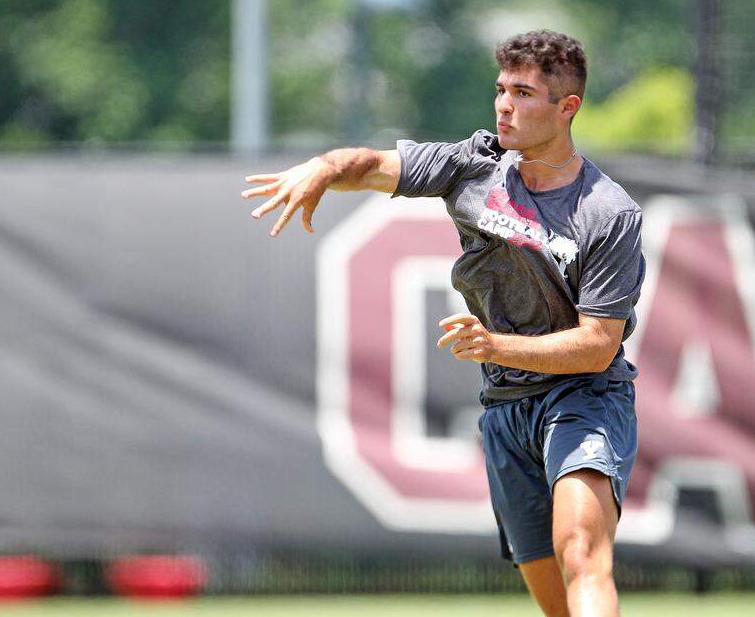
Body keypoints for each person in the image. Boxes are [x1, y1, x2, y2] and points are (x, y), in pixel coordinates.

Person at [242, 30, 644, 617]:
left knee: (581, 551)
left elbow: (596, 346)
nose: (505, 104)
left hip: (584, 398)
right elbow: (376, 165)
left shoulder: (608, 211)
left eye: (525, 93)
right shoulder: (472, 165)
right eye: (501, 89)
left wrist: (494, 344)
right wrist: (325, 167)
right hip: (506, 408)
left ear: (568, 107)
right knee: (554, 599)